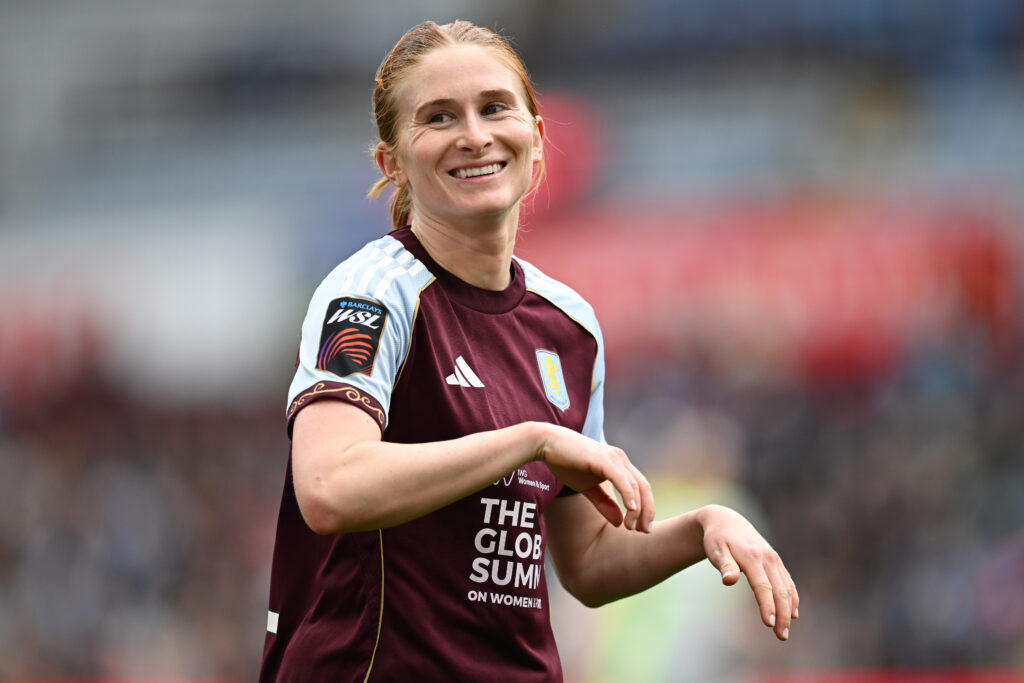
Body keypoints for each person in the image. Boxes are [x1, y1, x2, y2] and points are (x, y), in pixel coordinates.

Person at [259, 19, 798, 682]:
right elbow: (328, 487)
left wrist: (701, 527)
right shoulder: (371, 294)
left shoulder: (569, 326)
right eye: (438, 117)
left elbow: (587, 563)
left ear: (537, 140)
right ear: (391, 161)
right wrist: (529, 440)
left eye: (494, 107)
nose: (475, 135)